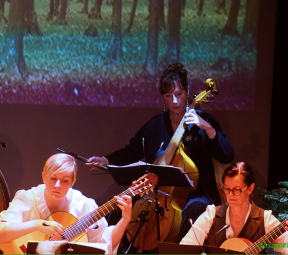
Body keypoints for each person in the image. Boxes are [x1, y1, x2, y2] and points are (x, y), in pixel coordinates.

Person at [86, 62, 235, 245]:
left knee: (195, 208)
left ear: (187, 91)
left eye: (179, 94)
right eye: (168, 96)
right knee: (122, 208)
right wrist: (105, 160)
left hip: (195, 193)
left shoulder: (203, 122)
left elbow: (227, 155)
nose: (174, 101)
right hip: (157, 194)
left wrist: (205, 126)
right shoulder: (155, 125)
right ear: (163, 98)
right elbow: (132, 150)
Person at [0, 153, 132, 254]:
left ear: (73, 182)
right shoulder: (28, 198)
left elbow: (105, 244)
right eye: (53, 178)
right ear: (43, 176)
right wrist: (36, 225)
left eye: (65, 181)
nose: (57, 185)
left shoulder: (83, 205)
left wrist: (125, 219)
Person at [180, 162, 288, 254]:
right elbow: (184, 249)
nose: (230, 194)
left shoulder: (265, 220)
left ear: (250, 188)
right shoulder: (212, 215)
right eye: (226, 189)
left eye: (237, 190)